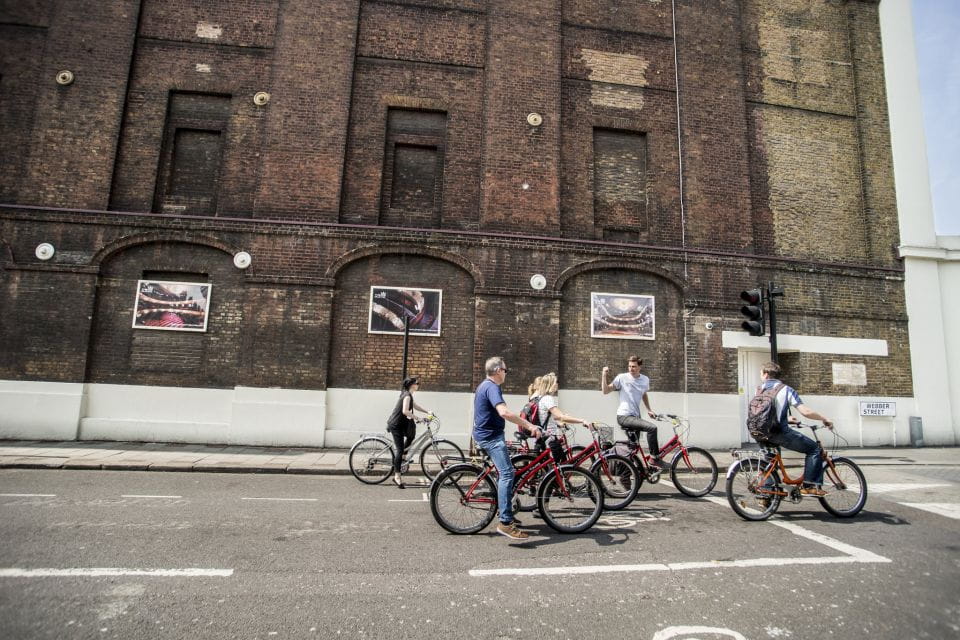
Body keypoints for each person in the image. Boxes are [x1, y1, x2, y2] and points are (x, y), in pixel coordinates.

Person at [473, 356, 541, 541]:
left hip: (488, 435)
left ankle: (505, 508)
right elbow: (503, 412)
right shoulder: (492, 387)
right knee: (508, 473)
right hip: (491, 438)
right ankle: (505, 522)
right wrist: (529, 426)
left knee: (506, 471)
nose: (506, 373)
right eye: (505, 370)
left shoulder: (484, 386)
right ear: (497, 371)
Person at [756, 361, 834, 496]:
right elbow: (805, 412)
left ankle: (766, 497)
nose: (761, 376)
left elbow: (764, 412)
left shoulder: (759, 389)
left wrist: (786, 418)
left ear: (766, 374)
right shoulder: (786, 389)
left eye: (761, 373)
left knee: (769, 462)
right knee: (814, 449)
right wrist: (824, 418)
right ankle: (809, 485)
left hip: (760, 431)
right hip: (779, 432)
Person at [601, 355, 666, 471]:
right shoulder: (622, 378)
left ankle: (625, 474)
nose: (631, 369)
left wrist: (649, 409)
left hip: (635, 416)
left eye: (634, 366)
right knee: (652, 428)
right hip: (624, 416)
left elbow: (644, 394)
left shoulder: (645, 380)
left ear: (640, 367)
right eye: (630, 366)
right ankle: (654, 458)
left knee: (633, 448)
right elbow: (605, 391)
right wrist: (604, 375)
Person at [535, 372, 592, 462]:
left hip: (545, 438)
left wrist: (561, 417)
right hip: (550, 439)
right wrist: (582, 420)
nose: (557, 384)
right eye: (556, 382)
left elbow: (548, 416)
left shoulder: (541, 398)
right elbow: (561, 417)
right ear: (551, 384)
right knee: (561, 467)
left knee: (559, 467)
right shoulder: (548, 399)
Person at [386, 376, 430, 489]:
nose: (418, 385)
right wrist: (418, 418)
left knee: (411, 436)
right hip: (396, 425)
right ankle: (397, 476)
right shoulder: (406, 396)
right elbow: (405, 411)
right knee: (400, 450)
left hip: (401, 424)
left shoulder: (408, 395)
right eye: (417, 383)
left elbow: (415, 405)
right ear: (412, 385)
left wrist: (428, 411)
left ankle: (404, 459)